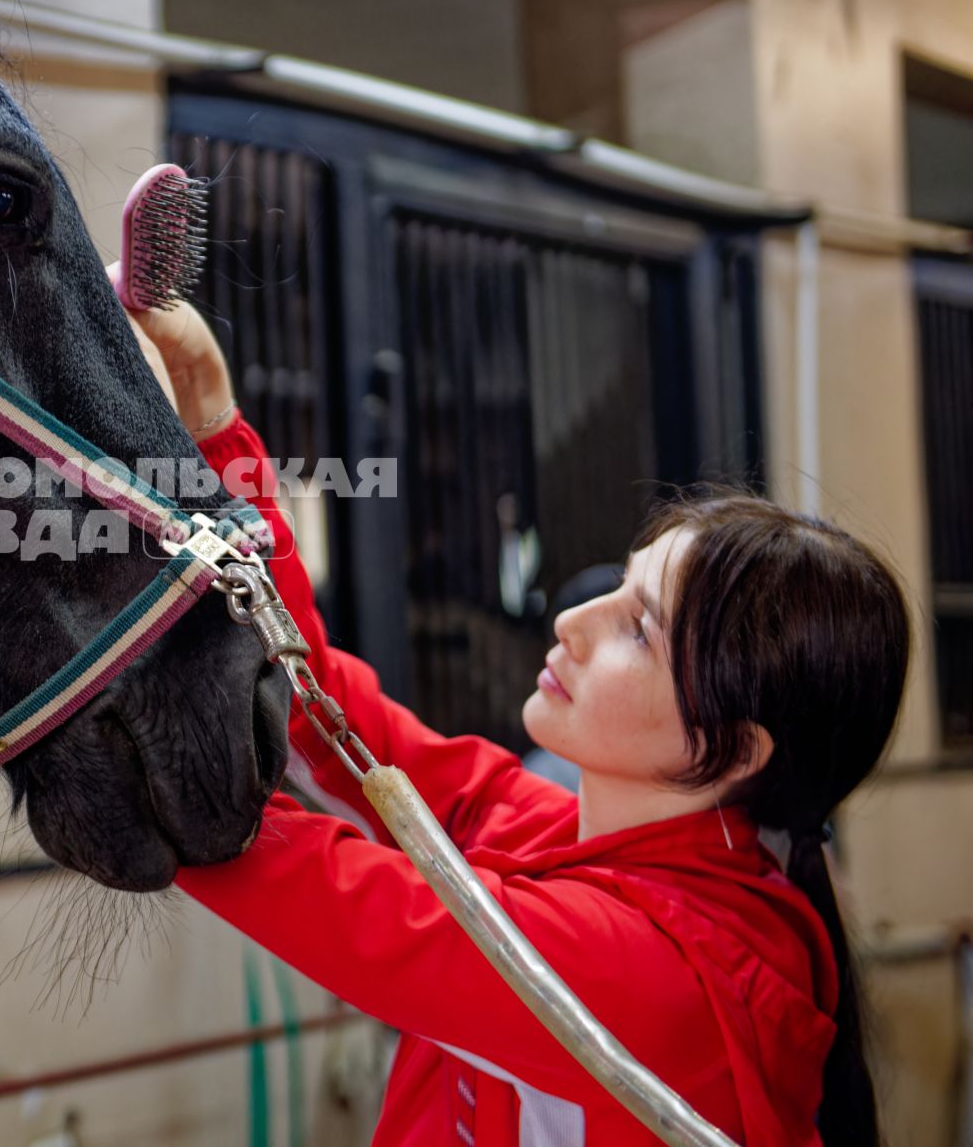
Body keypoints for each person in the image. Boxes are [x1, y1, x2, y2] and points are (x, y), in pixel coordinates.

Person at [122, 295, 910, 1146]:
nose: (574, 621)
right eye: (618, 586)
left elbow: (327, 893)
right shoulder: (568, 841)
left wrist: (105, 733)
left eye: (638, 631)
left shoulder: (663, 974)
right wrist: (213, 426)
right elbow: (333, 715)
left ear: (729, 750)